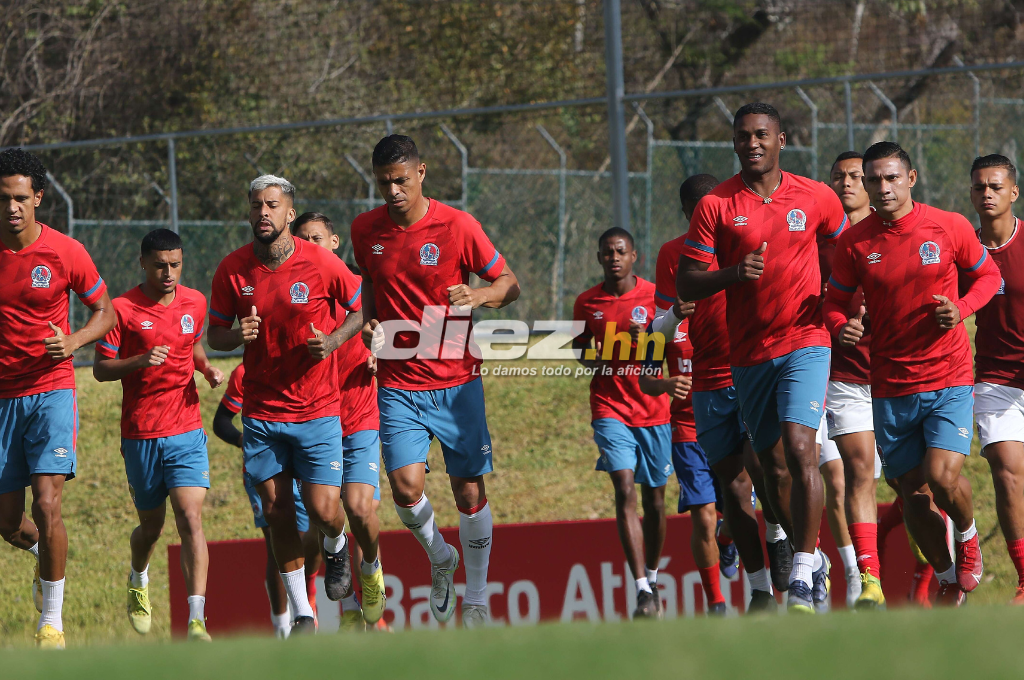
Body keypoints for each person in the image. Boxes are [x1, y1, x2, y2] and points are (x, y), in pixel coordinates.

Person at [677, 103, 847, 612]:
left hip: (807, 340)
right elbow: (687, 281)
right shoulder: (716, 206)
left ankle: (799, 570)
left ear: (781, 139)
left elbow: (845, 255)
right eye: (744, 136)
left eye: (762, 135)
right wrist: (732, 274)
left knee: (801, 448)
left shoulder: (816, 196)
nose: (753, 143)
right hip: (748, 353)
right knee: (773, 474)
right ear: (734, 143)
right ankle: (809, 559)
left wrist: (846, 304)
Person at [824, 141, 1001, 607]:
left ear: (911, 178)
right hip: (890, 386)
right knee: (913, 494)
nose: (882, 188)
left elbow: (988, 278)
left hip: (948, 378)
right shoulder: (855, 243)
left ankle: (967, 534)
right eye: (874, 180)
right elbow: (834, 303)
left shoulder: (948, 226)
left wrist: (960, 310)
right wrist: (842, 327)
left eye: (891, 178)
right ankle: (945, 576)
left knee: (943, 478)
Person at [352, 135, 519, 628]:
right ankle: (441, 559)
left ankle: (477, 598)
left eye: (401, 180)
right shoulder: (366, 229)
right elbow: (369, 282)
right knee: (405, 489)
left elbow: (509, 283)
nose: (393, 191)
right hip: (399, 383)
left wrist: (481, 295)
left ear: (421, 172)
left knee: (468, 493)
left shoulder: (458, 225)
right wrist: (367, 319)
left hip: (457, 380)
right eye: (384, 183)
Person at [208, 174, 364, 634]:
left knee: (324, 510)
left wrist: (333, 340)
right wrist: (237, 336)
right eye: (256, 205)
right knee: (276, 511)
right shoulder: (231, 269)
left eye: (272, 205)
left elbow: (360, 307)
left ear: (290, 213)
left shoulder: (320, 261)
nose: (263, 213)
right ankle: (302, 612)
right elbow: (214, 334)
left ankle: (336, 548)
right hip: (262, 411)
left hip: (316, 408)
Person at [0, 148, 116, 648]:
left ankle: (53, 622)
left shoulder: (66, 252)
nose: (12, 208)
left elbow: (106, 312)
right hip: (3, 399)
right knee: (8, 523)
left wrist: (73, 342)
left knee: (47, 503)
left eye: (21, 198)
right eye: (4, 198)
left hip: (51, 390)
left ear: (39, 198)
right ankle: (43, 558)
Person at [653, 173, 777, 613]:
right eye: (702, 208)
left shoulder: (751, 233)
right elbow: (657, 331)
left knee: (761, 468)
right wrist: (673, 315)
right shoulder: (673, 255)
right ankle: (738, 596)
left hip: (748, 370)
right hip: (701, 390)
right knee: (721, 497)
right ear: (690, 214)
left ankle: (779, 539)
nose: (714, 214)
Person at [93, 228, 223, 642]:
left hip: (186, 429)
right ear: (143, 263)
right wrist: (140, 360)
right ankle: (138, 577)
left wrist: (207, 370)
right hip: (140, 435)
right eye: (160, 265)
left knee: (190, 518)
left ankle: (197, 619)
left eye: (176, 264)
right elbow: (100, 369)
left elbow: (194, 346)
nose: (169, 273)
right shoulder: (121, 308)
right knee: (151, 529)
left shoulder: (195, 301)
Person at [291, 211, 386, 630]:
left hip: (360, 415)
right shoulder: (295, 295)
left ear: (334, 243)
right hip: (316, 423)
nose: (310, 246)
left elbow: (390, 334)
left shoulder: (361, 290)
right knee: (323, 525)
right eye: (303, 240)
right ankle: (335, 611)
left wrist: (379, 352)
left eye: (317, 238)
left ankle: (371, 580)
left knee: (360, 509)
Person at [572, 227, 673, 619]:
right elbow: (581, 353)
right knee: (624, 487)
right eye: (606, 253)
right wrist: (603, 360)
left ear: (635, 257)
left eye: (620, 251)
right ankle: (641, 588)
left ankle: (653, 574)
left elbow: (674, 342)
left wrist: (647, 335)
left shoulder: (654, 297)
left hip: (653, 410)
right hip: (610, 407)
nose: (613, 258)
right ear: (599, 258)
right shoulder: (586, 302)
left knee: (656, 501)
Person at [212, 363, 321, 637]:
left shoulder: (303, 361)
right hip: (263, 467)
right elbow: (220, 421)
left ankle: (307, 609)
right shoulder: (245, 371)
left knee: (312, 533)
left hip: (302, 461)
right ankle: (282, 625)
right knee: (276, 539)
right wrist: (242, 440)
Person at [823, 150, 886, 609]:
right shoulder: (817, 241)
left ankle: (940, 570)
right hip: (834, 375)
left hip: (897, 375)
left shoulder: (891, 234)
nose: (846, 183)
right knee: (844, 475)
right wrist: (833, 321)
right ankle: (858, 576)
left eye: (855, 176)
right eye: (838, 177)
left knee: (918, 483)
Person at [968, 154, 1024, 603]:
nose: (986, 194)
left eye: (995, 186)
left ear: (1013, 192)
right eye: (979, 187)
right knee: (1006, 473)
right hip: (994, 377)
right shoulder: (961, 250)